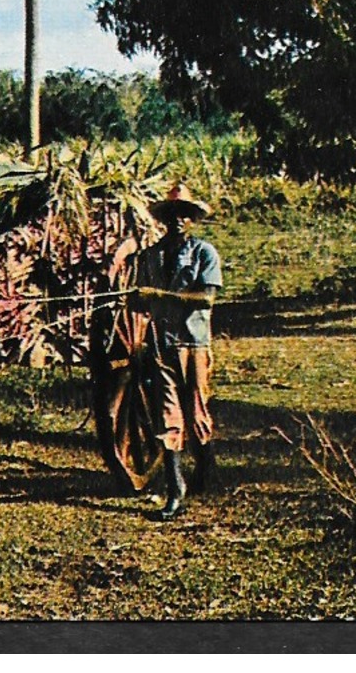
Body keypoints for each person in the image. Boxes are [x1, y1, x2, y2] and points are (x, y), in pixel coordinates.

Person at [128, 181, 221, 520]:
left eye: (184, 215)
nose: (178, 220)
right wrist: (137, 298)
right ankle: (175, 491)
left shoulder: (204, 254)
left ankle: (206, 466)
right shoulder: (150, 256)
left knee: (196, 411)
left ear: (192, 219)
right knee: (169, 416)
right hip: (162, 344)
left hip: (194, 343)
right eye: (172, 214)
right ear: (164, 219)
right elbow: (139, 300)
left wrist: (160, 296)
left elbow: (206, 298)